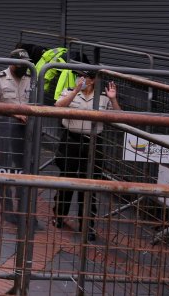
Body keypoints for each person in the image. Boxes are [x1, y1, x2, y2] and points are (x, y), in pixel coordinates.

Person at [53, 69, 121, 241]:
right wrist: (76, 90)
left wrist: (113, 99)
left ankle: (87, 225)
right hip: (71, 140)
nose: (80, 79)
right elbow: (58, 107)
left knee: (90, 183)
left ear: (93, 81)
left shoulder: (103, 97)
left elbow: (119, 118)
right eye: (79, 76)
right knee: (66, 179)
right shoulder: (69, 91)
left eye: (84, 77)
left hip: (93, 142)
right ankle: (59, 216)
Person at [0, 49, 36, 226]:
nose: (24, 66)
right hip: (3, 128)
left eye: (26, 63)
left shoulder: (31, 78)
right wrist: (15, 115)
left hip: (24, 132)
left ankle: (23, 210)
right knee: (2, 168)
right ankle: (6, 208)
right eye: (21, 63)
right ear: (12, 62)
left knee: (25, 168)